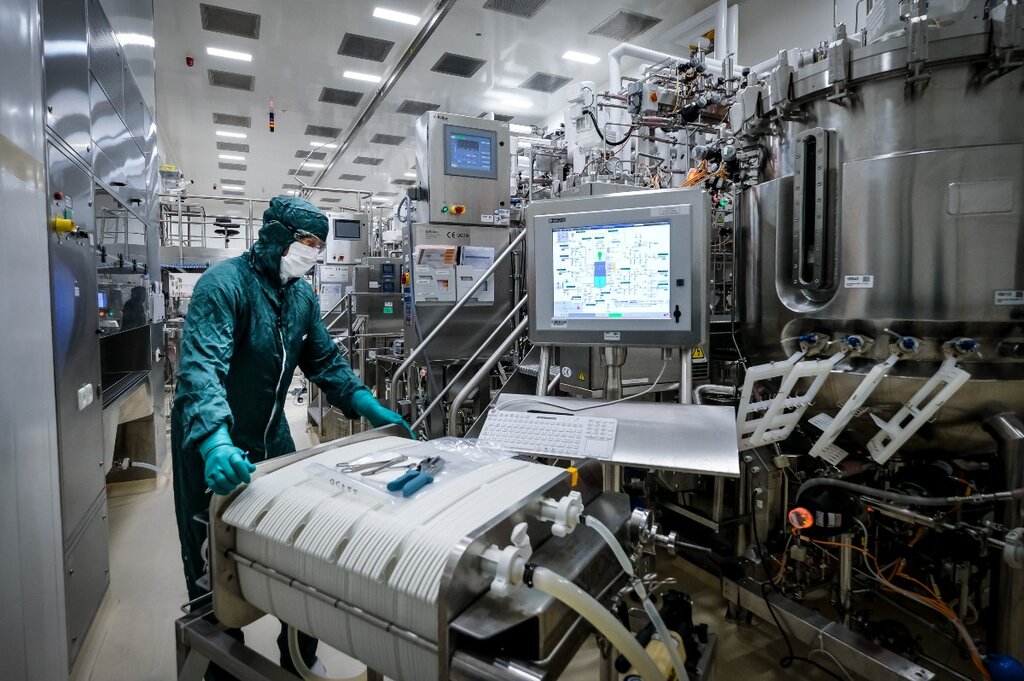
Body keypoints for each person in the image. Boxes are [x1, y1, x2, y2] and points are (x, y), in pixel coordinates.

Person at [171, 196, 412, 679]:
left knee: (296, 548)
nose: (313, 252)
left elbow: (324, 361)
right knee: (211, 561)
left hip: (271, 436)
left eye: (319, 245)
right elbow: (202, 370)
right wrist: (216, 439)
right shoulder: (224, 285)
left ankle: (299, 652)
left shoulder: (300, 296)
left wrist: (365, 404)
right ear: (277, 236)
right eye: (306, 242)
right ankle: (220, 660)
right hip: (209, 439)